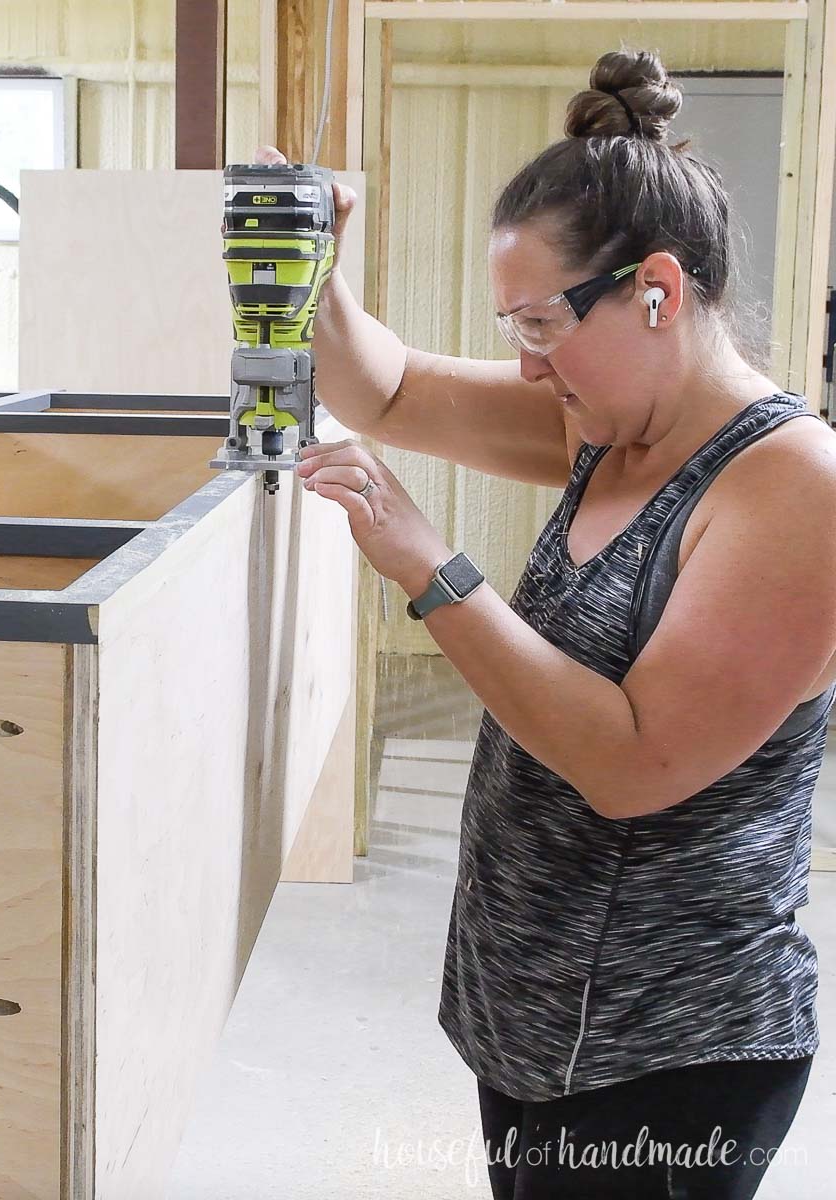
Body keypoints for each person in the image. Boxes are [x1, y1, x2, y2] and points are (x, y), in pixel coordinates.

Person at [266, 45, 836, 1199]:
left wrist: (431, 570)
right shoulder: (606, 429)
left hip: (668, 1048)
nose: (528, 369)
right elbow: (386, 390)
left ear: (657, 292)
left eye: (538, 325)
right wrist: (310, 264)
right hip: (538, 1019)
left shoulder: (794, 488)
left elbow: (634, 762)